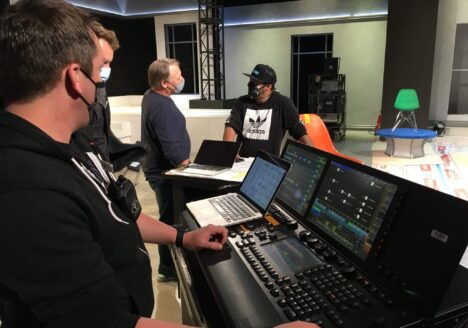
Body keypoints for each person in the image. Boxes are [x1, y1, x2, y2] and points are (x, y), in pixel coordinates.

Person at [0, 1, 229, 327]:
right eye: (99, 73)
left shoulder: (70, 143)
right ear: (76, 78)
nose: (100, 88)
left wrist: (182, 237)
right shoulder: (26, 189)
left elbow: (119, 214)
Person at [141, 58, 190, 282]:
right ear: (163, 83)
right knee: (170, 221)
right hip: (166, 175)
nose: (181, 80)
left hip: (156, 170)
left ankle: (167, 267)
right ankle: (169, 269)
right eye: (177, 77)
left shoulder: (151, 96)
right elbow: (174, 152)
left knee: (167, 218)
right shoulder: (162, 107)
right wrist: (188, 168)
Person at [74, 21, 145, 169]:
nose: (107, 69)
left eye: (109, 63)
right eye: (103, 63)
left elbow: (101, 133)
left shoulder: (100, 90)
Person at [223, 64, 313, 157]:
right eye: (251, 80)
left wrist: (315, 157)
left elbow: (299, 131)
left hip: (267, 163)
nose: (250, 84)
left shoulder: (282, 103)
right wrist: (229, 151)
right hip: (242, 162)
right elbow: (231, 126)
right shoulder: (241, 102)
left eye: (255, 82)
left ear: (268, 87)